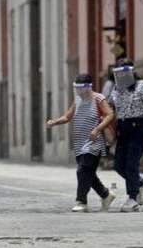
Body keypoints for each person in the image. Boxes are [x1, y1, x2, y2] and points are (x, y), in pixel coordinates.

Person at [46, 74, 117, 212]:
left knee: (83, 171)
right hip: (80, 143)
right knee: (88, 172)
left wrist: (97, 129)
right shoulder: (78, 100)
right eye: (76, 88)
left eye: (81, 88)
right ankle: (106, 195)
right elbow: (68, 116)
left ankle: (81, 202)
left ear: (88, 87)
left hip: (94, 142)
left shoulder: (98, 98)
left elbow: (110, 114)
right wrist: (55, 122)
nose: (78, 91)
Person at [110, 60, 143, 212]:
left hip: (140, 128)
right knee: (119, 165)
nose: (121, 76)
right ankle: (141, 184)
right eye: (118, 74)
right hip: (123, 128)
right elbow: (110, 104)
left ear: (131, 72)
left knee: (131, 163)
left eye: (124, 73)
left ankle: (132, 198)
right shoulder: (116, 88)